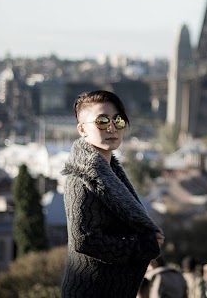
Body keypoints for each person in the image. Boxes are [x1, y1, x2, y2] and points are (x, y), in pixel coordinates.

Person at [62, 90, 165, 298]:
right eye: (101, 121)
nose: (111, 127)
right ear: (82, 129)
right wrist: (141, 245)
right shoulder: (79, 178)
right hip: (89, 291)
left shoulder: (111, 174)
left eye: (117, 120)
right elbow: (83, 239)